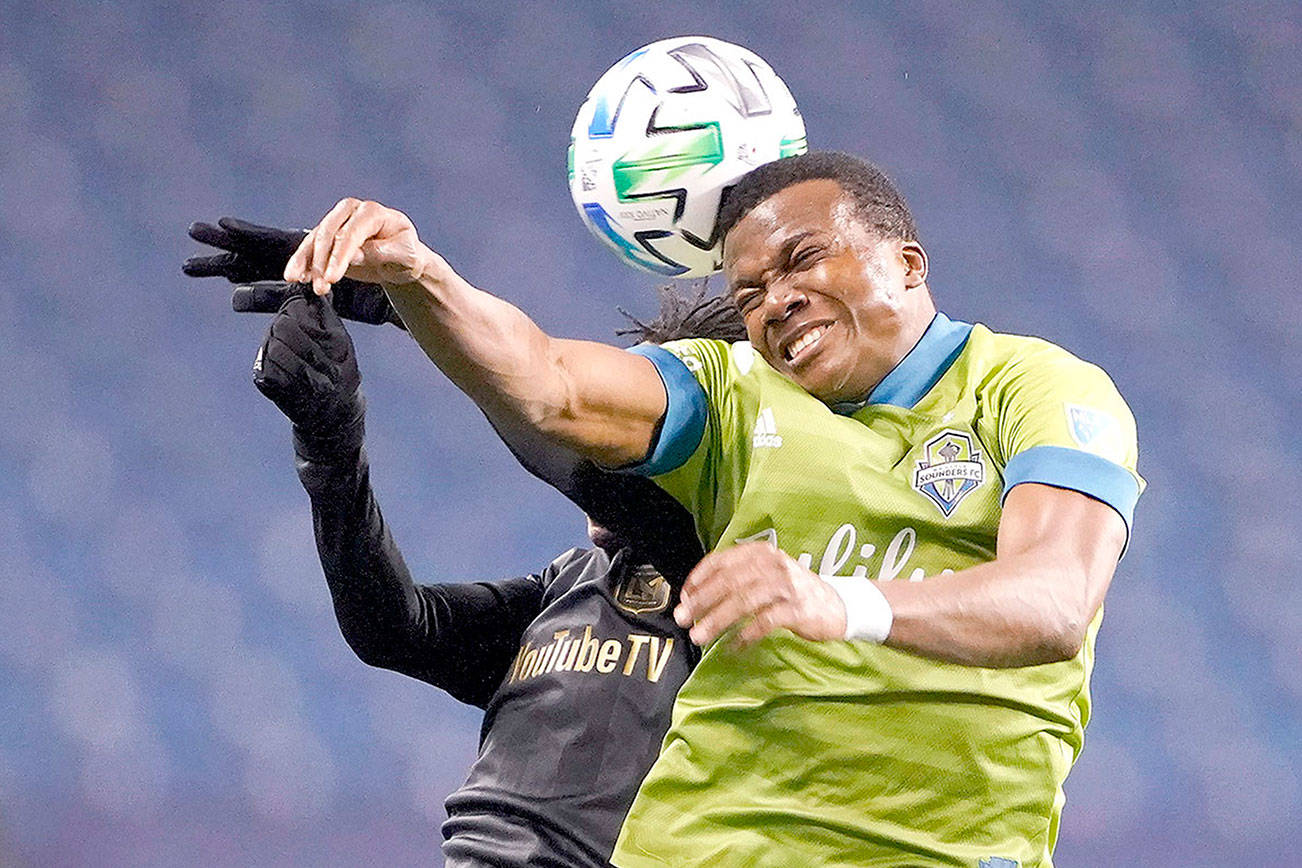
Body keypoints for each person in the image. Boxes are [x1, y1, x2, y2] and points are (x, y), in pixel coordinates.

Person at [279, 151, 1145, 867]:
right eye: (751, 293)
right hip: (703, 847)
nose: (776, 302)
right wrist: (419, 276)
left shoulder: (1031, 388)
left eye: (803, 260)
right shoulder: (734, 394)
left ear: (906, 262)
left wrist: (836, 601)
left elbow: (1057, 601)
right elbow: (547, 384)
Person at [184, 220, 747, 867]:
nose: (605, 438)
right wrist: (330, 450)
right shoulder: (573, 582)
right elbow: (396, 629)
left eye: (626, 431)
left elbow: (561, 432)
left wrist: (410, 302)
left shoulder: (728, 575)